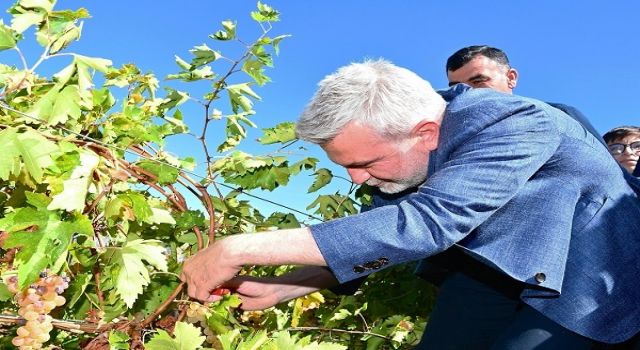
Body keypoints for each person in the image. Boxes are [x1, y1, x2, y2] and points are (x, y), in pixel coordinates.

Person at [181, 60, 640, 349]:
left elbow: (428, 223)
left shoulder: (518, 121)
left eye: (364, 163)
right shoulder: (402, 144)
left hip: (592, 276)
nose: (356, 178)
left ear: (425, 132)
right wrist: (293, 285)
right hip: (491, 268)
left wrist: (236, 249)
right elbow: (380, 229)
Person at [445, 45, 604, 145]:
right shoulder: (447, 135)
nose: (467, 92)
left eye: (479, 81)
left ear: (511, 78)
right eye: (458, 87)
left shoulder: (562, 115)